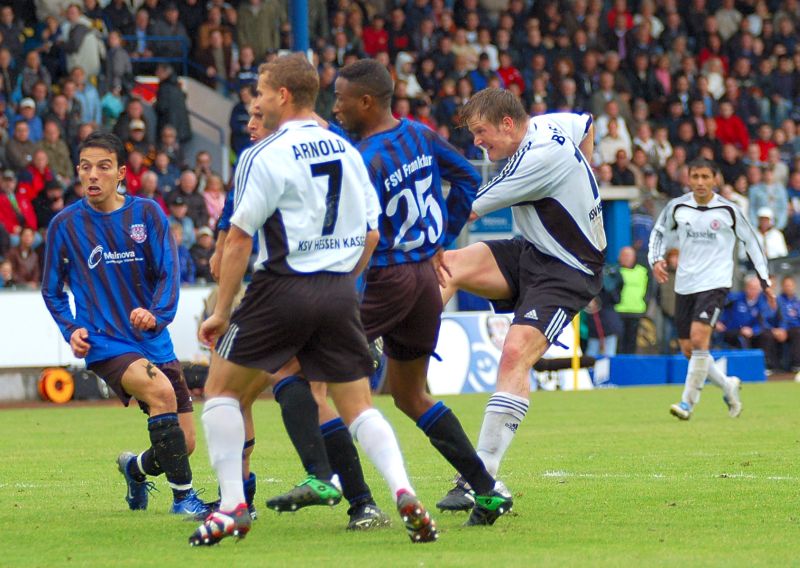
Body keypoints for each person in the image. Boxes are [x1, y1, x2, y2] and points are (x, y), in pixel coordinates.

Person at [189, 54, 436, 546]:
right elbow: (372, 233)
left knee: (220, 391)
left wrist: (221, 310)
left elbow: (238, 240)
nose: (256, 102)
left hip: (283, 286)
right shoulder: (346, 148)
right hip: (339, 290)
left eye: (261, 92)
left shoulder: (263, 153)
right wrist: (342, 280)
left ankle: (233, 507)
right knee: (358, 406)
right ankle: (403, 490)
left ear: (282, 95)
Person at [332, 59, 511, 524]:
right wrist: (440, 239)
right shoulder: (419, 134)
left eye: (341, 99)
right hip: (427, 282)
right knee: (410, 396)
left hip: (386, 280)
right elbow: (468, 177)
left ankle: (355, 498)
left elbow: (361, 235)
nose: (335, 108)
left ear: (366, 102)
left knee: (313, 371)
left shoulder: (365, 159)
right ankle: (487, 490)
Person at [437, 89, 604, 506]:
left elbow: (465, 210)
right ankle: (390, 337)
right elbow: (586, 124)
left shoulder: (537, 159)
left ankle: (481, 479)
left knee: (514, 353)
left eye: (481, 132)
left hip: (569, 270)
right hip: (533, 250)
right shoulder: (549, 124)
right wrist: (585, 180)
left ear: (507, 124)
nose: (477, 142)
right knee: (449, 265)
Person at [41, 131, 209, 517]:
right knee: (161, 392)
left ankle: (134, 469)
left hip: (153, 339)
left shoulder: (147, 214)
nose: (93, 175)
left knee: (183, 443)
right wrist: (71, 328)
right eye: (86, 167)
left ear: (120, 173)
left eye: (103, 167)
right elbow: (51, 290)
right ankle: (184, 500)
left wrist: (156, 314)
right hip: (105, 340)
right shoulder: (65, 225)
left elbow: (169, 273)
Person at [649, 158, 773, 420]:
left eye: (705, 176)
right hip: (685, 284)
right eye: (695, 176)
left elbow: (752, 242)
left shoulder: (729, 210)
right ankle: (727, 385)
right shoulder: (677, 206)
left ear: (715, 179)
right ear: (688, 178)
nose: (700, 182)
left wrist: (765, 280)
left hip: (715, 283)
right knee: (688, 349)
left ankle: (687, 403)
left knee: (699, 339)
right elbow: (659, 232)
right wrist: (656, 259)